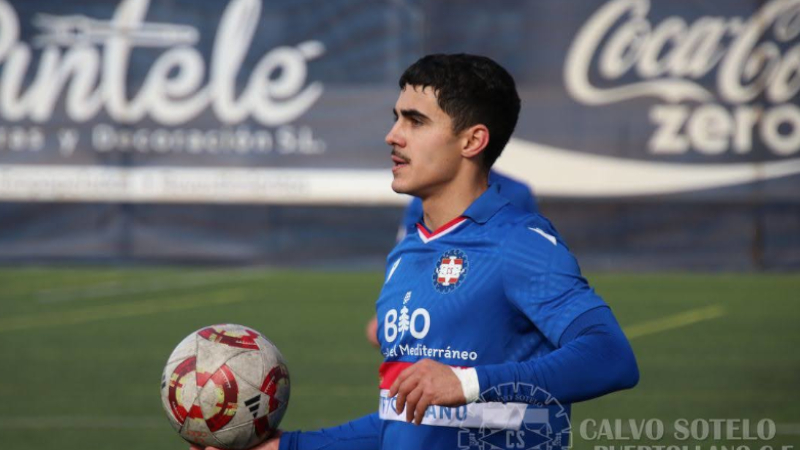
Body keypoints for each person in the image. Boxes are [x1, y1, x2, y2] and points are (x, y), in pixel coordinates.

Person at [194, 53, 639, 450]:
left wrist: (468, 382)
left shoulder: (519, 242)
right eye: (396, 118)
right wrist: (285, 448)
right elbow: (404, 423)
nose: (393, 135)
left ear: (472, 141)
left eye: (415, 121)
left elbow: (611, 357)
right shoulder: (406, 255)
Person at [366, 170, 539, 347]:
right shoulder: (425, 195)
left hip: (499, 308)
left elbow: (532, 255)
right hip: (437, 302)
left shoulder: (517, 193)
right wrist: (392, 307)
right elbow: (407, 256)